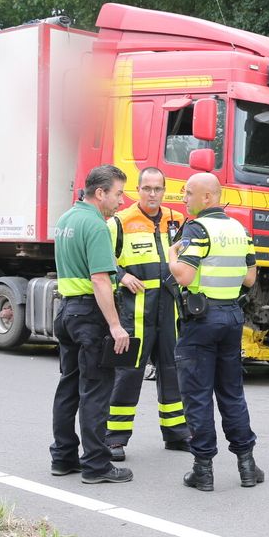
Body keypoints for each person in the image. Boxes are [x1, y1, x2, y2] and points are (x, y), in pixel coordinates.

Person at [168, 172, 263, 492]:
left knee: (197, 396)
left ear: (207, 197)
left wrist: (171, 255)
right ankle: (247, 465)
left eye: (189, 193)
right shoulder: (240, 229)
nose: (184, 198)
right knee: (232, 393)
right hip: (232, 317)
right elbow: (250, 278)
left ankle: (203, 469)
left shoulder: (197, 229)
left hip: (201, 320)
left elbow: (184, 275)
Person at [49, 165, 134, 484]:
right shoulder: (97, 225)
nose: (121, 201)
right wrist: (115, 325)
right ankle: (97, 465)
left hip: (67, 311)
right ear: (100, 193)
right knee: (96, 390)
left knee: (68, 387)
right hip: (89, 315)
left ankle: (63, 457)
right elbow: (100, 279)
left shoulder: (66, 219)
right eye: (118, 194)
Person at [105, 167, 190, 461]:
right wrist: (122, 276)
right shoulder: (120, 222)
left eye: (157, 189)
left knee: (172, 369)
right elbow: (102, 261)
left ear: (164, 190)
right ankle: (114, 438)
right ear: (138, 190)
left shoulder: (176, 219)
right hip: (137, 309)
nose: (152, 194)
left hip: (169, 307)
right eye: (147, 188)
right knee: (128, 372)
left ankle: (177, 433)